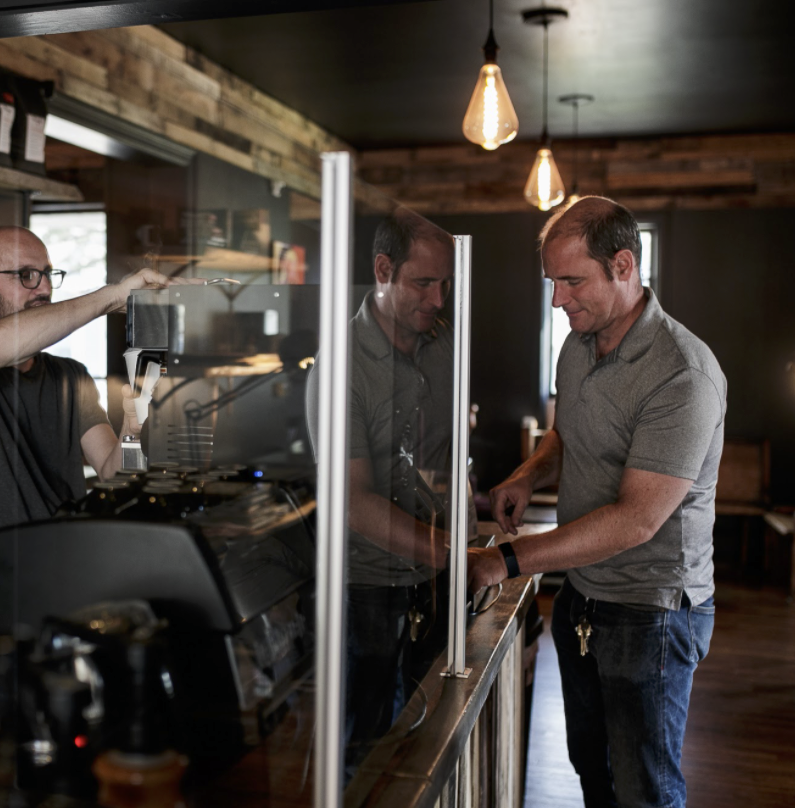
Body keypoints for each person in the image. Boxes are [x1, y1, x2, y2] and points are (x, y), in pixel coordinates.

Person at [469, 196, 725, 808]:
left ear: (624, 265)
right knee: (593, 770)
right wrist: (529, 474)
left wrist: (506, 559)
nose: (558, 299)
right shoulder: (577, 345)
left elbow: (638, 519)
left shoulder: (682, 373)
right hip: (582, 596)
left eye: (572, 280)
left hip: (651, 613)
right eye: (552, 281)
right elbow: (568, 433)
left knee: (645, 789)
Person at [0, 225, 187, 598]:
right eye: (25, 275)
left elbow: (113, 473)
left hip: (69, 582)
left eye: (46, 274)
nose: (43, 288)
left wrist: (134, 422)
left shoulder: (69, 376)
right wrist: (112, 298)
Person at [305, 210, 459, 777]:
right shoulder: (338, 366)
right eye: (424, 283)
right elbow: (352, 500)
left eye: (445, 284)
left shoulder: (442, 342)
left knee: (428, 737)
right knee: (365, 745)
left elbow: (442, 457)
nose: (439, 299)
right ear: (382, 270)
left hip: (436, 579)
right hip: (367, 585)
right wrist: (453, 555)